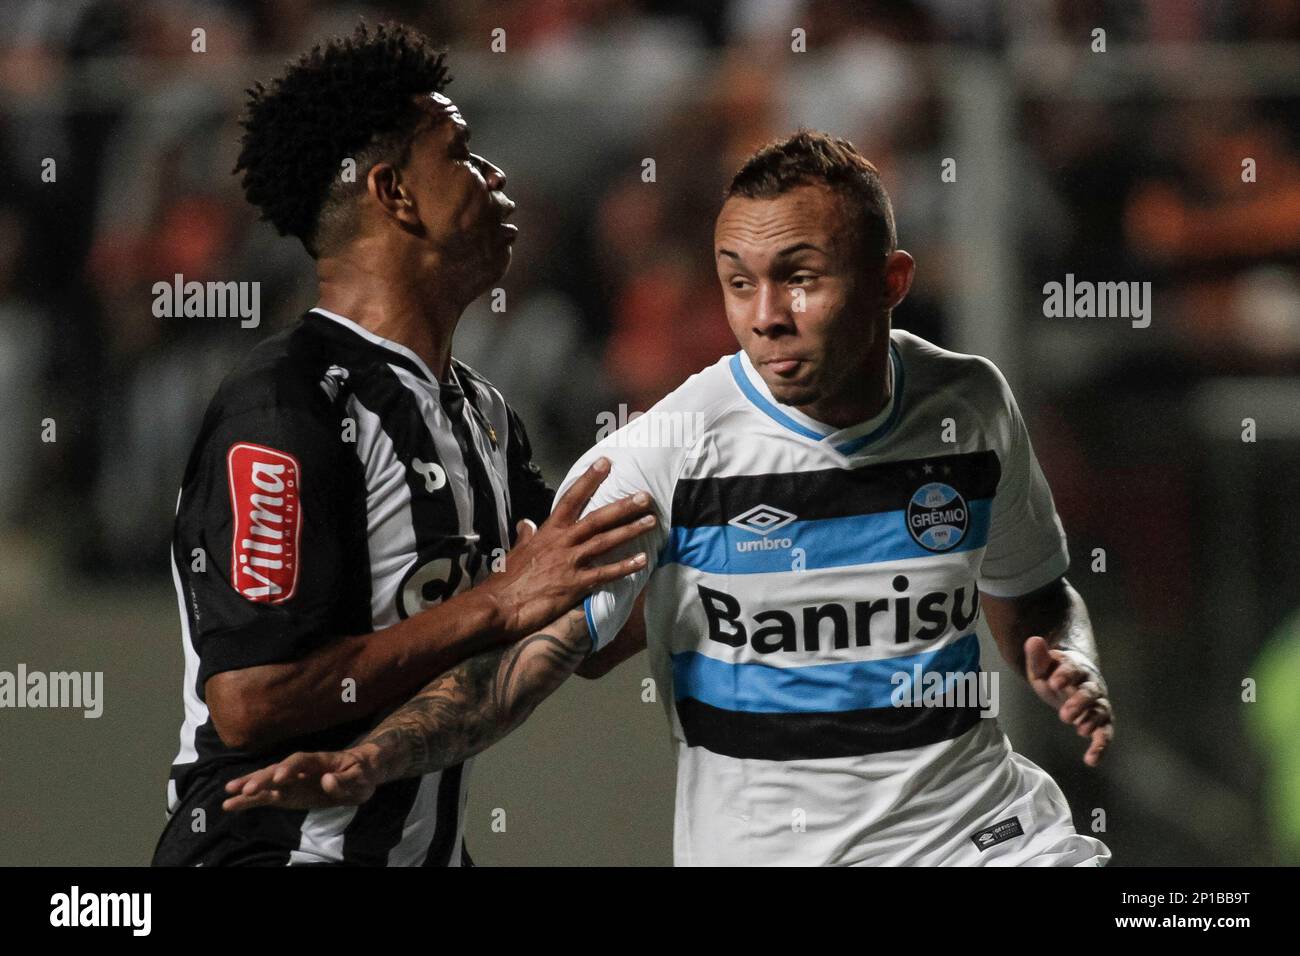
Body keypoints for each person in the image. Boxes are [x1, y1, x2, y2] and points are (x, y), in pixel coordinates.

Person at [224, 130, 1115, 867]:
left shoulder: (971, 403)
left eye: (800, 276)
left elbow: (1034, 591)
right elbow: (523, 663)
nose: (766, 314)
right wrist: (374, 759)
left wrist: (1070, 656)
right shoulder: (663, 451)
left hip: (987, 839)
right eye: (738, 281)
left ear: (890, 283)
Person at [152, 22, 654, 867]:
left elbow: (571, 610)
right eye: (461, 152)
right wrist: (494, 602)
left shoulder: (487, 414)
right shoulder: (286, 404)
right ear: (393, 193)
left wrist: (744, 562)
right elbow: (251, 698)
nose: (496, 176)